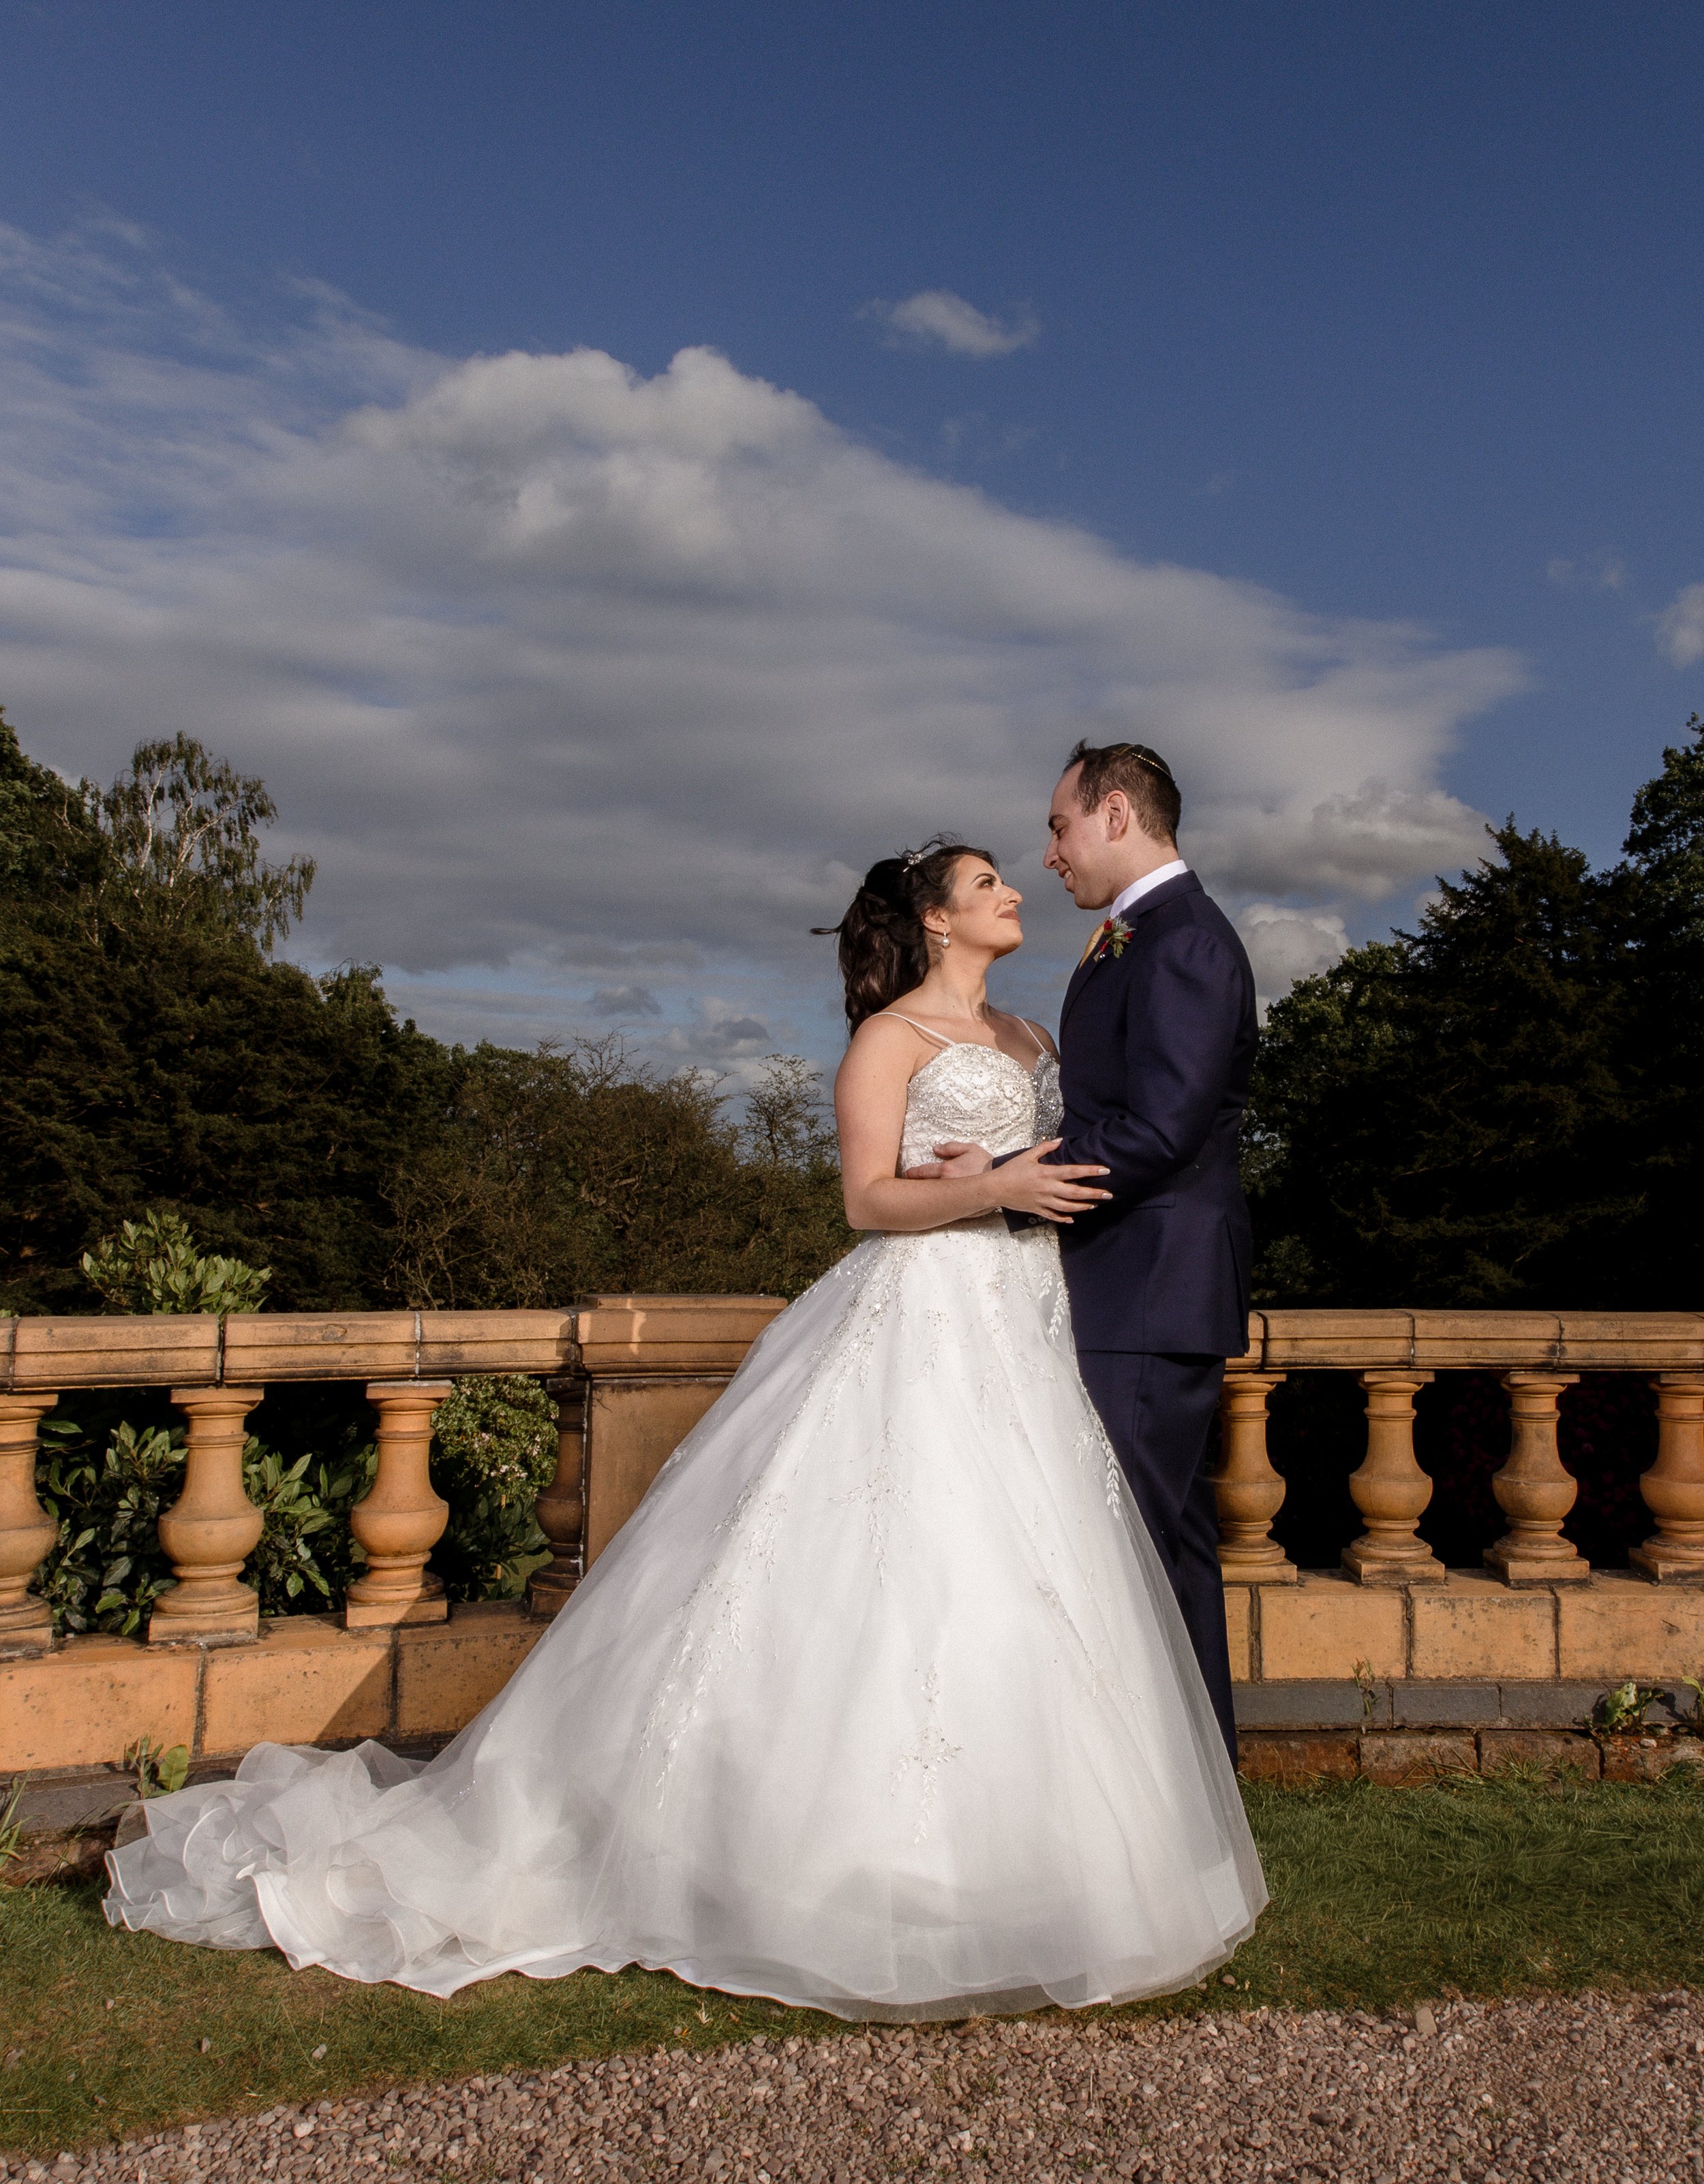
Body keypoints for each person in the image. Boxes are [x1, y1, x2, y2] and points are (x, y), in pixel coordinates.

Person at [104, 836, 1264, 2019]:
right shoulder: (888, 1040)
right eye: (984, 885)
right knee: (894, 1581)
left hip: (1026, 1327)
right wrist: (987, 1189)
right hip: (922, 1318)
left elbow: (1064, 1164)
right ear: (933, 920)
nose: (1014, 889)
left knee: (1023, 1584)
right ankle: (828, 1865)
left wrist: (1011, 1165)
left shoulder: (1033, 1040)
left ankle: (1029, 1864)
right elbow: (867, 1200)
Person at [907, 746, 1257, 1759]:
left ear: (1114, 814)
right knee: (1171, 1553)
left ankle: (1136, 1799)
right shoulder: (1137, 935)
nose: (1050, 852)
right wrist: (1001, 1164)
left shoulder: (1182, 941)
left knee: (1120, 1552)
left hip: (1149, 1286)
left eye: (1060, 827)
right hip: (1139, 1284)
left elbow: (1161, 1130)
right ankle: (1195, 1791)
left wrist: (1009, 1186)